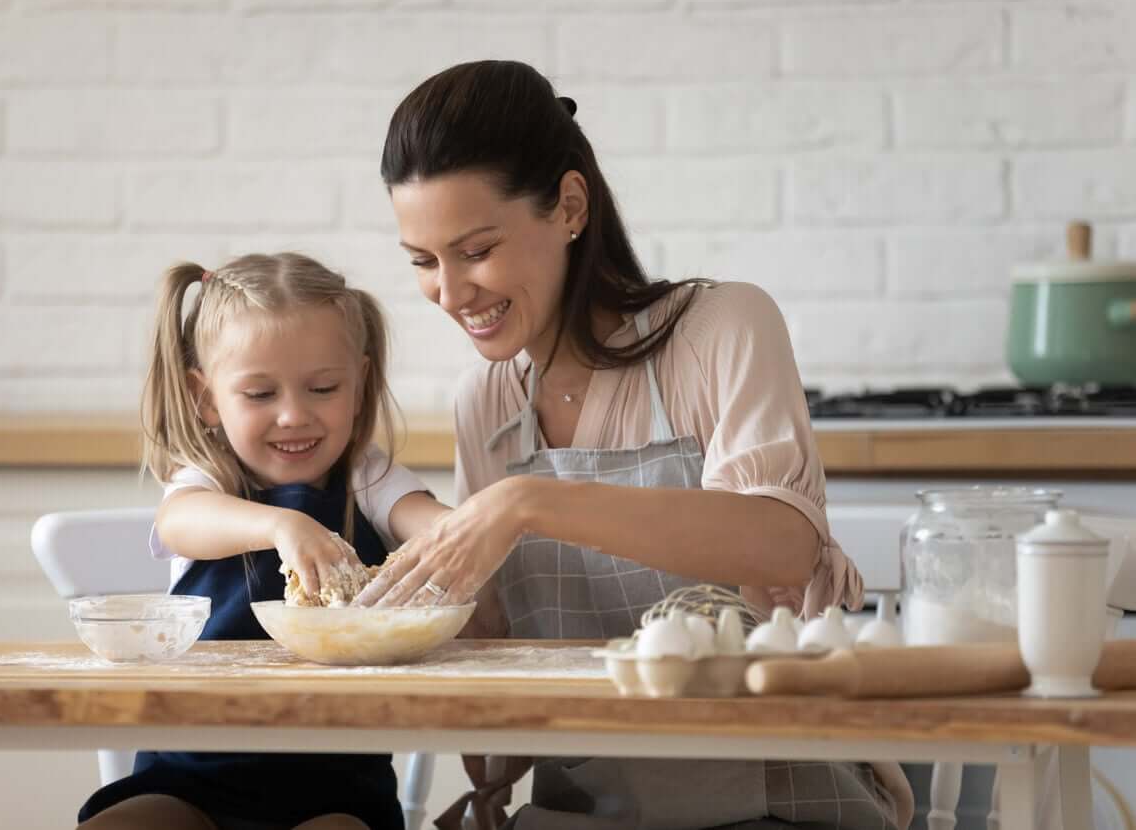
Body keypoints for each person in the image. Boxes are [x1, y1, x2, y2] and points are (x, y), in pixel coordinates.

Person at [354, 61, 913, 830]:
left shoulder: (721, 329)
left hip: (778, 799)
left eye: (476, 250)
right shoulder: (487, 403)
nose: (450, 294)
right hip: (583, 810)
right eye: (423, 262)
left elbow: (782, 544)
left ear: (570, 205)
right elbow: (500, 644)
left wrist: (529, 502)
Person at [78, 252, 448, 830]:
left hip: (337, 789)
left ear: (360, 385)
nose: (293, 415)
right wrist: (280, 526)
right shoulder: (207, 481)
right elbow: (180, 522)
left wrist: (472, 531)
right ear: (206, 398)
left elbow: (433, 526)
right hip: (188, 779)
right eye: (259, 395)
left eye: (323, 387)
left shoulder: (367, 480)